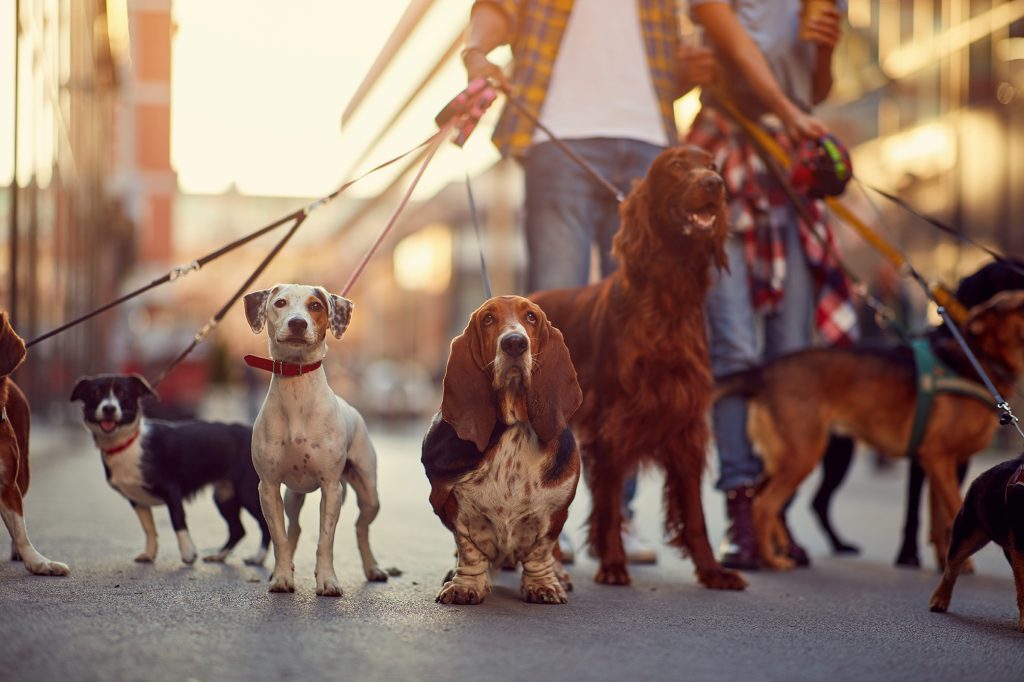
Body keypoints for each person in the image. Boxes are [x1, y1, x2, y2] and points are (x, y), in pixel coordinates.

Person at [461, 0, 715, 564]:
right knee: (548, 335)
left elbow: (678, 50)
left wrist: (695, 64)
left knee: (633, 350)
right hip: (560, 135)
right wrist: (477, 51)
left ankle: (614, 518)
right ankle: (540, 508)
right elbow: (499, 9)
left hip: (651, 140)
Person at [685, 0, 858, 569]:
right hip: (728, 149)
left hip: (790, 165)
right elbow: (731, 42)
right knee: (734, 347)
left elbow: (817, 86)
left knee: (793, 359)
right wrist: (788, 111)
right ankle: (740, 505)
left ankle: (771, 504)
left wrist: (826, 48)